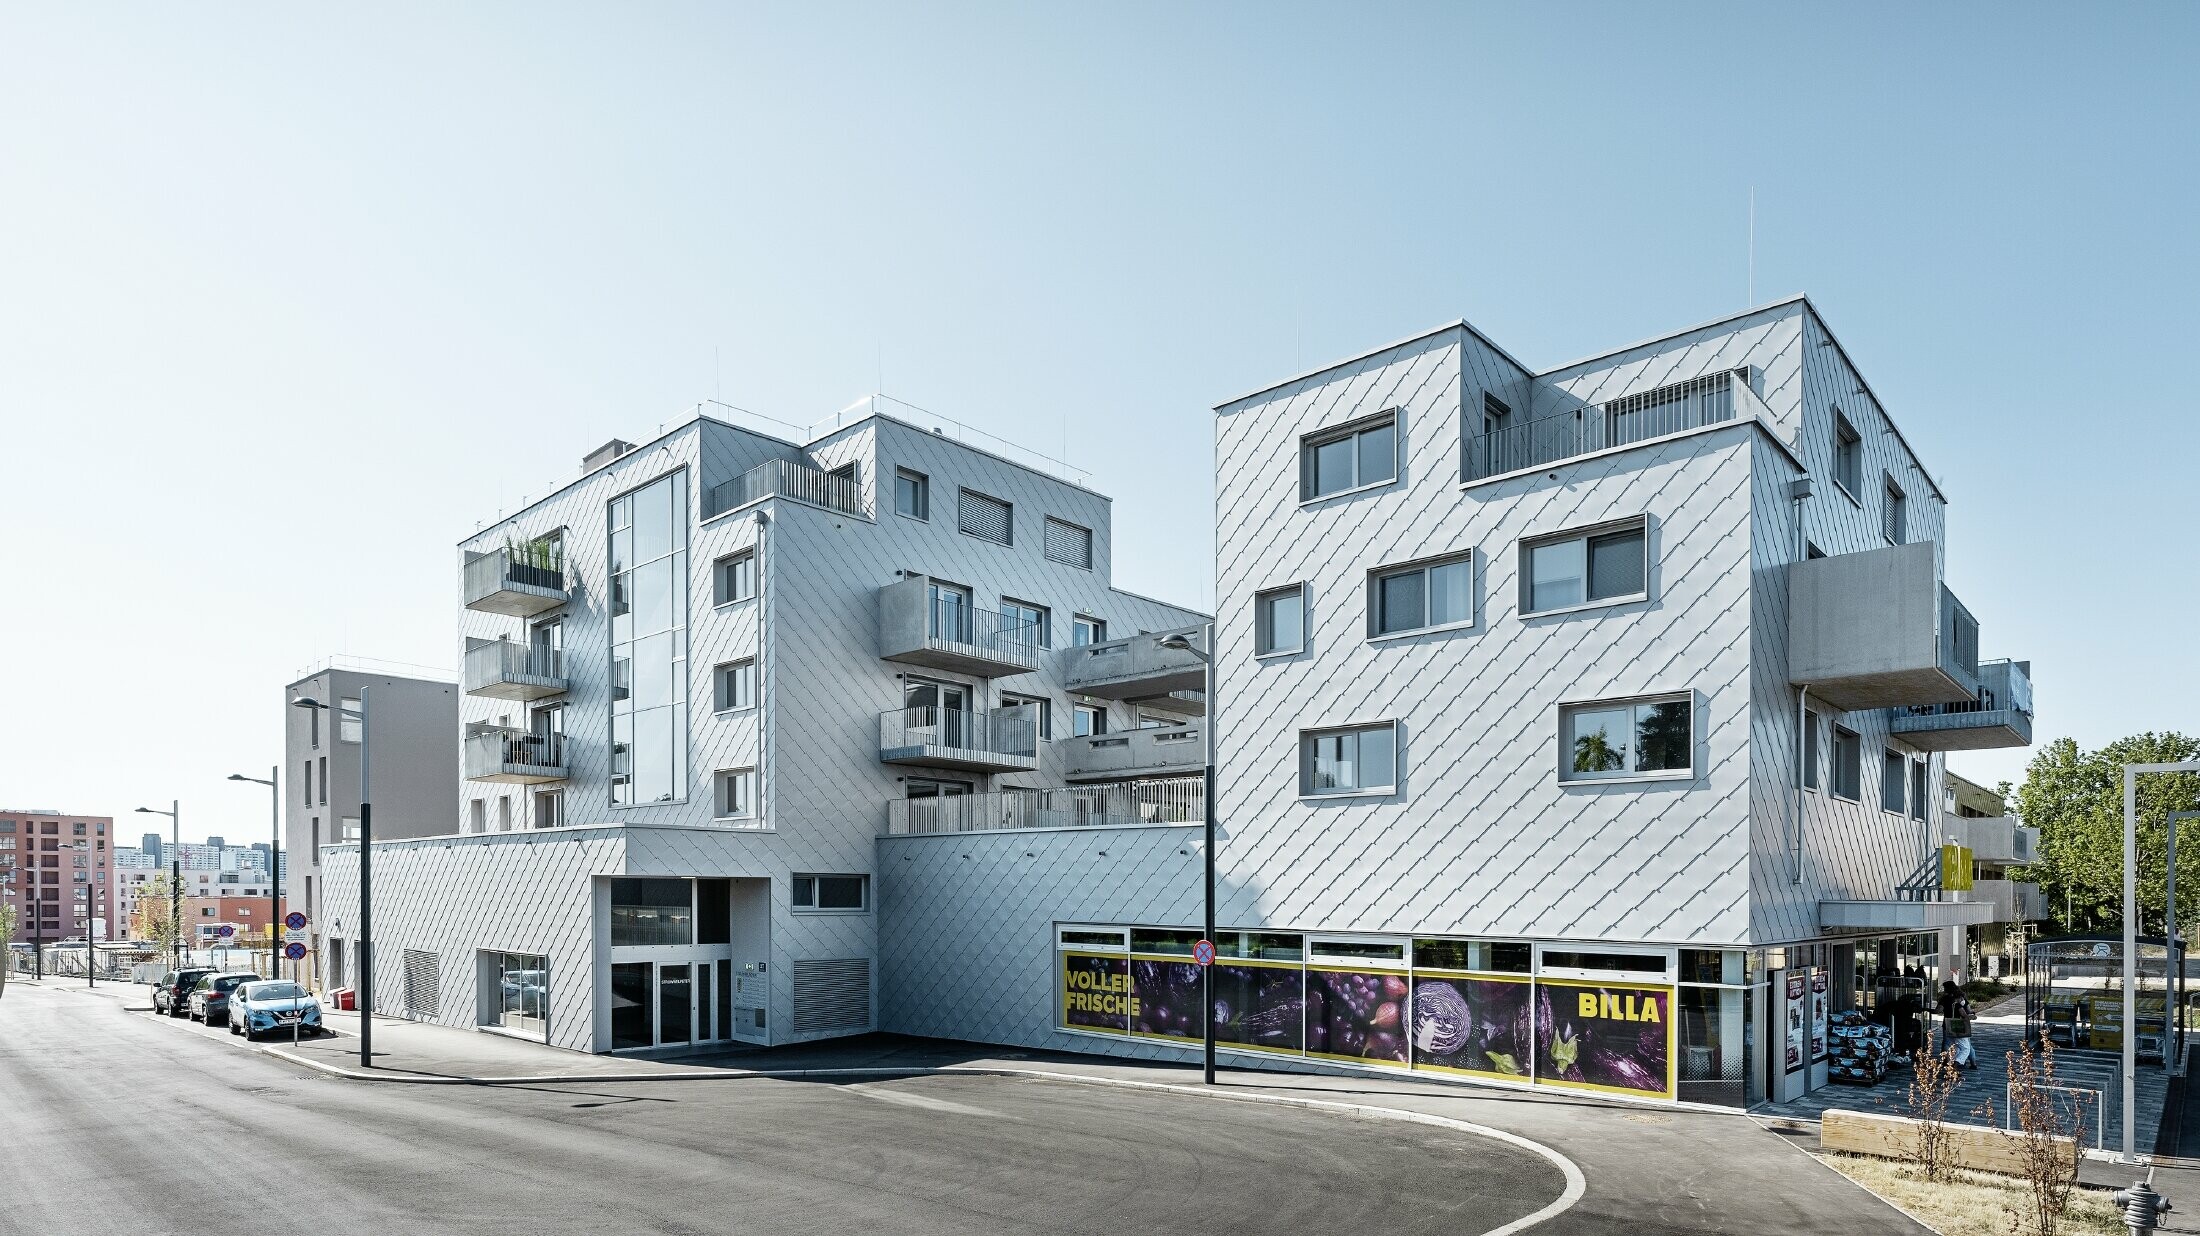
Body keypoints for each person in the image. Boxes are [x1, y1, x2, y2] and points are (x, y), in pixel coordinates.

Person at [1939, 980, 1977, 1070]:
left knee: (1949, 1045)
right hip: (1958, 1026)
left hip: (1948, 1025)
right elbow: (1965, 1015)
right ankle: (1957, 1064)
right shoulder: (1958, 1005)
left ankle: (1949, 1062)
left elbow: (1938, 1010)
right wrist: (1972, 1016)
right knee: (1966, 1047)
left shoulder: (1946, 1000)